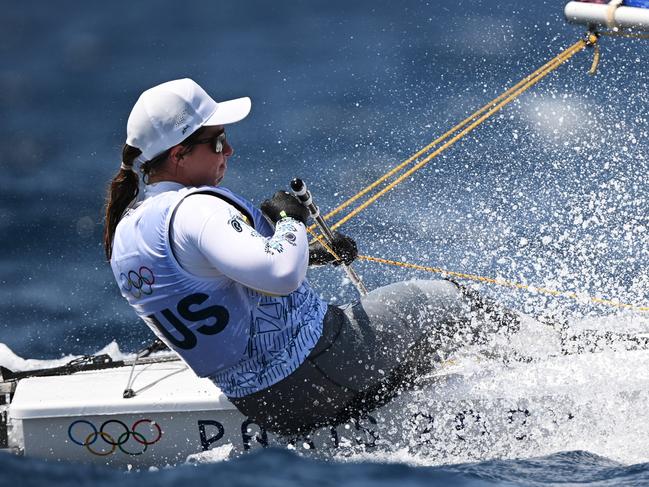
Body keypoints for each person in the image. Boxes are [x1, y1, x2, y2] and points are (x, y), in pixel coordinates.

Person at [104, 78, 520, 437]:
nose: (228, 150)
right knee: (445, 298)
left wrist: (311, 254)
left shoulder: (128, 230)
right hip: (318, 372)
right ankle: (557, 357)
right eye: (216, 141)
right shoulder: (195, 209)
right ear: (178, 155)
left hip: (263, 404)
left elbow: (218, 279)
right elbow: (280, 272)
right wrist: (291, 221)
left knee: (413, 340)